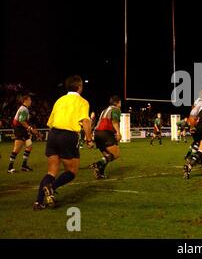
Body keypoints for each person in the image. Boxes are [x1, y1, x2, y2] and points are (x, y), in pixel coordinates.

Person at [33, 75, 93, 210]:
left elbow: (50, 122)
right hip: (68, 135)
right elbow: (85, 121)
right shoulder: (83, 102)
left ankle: (38, 202)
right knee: (71, 171)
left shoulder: (59, 100)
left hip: (53, 134)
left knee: (51, 172)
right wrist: (89, 139)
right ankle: (51, 188)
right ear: (79, 87)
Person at [8, 95, 42, 173]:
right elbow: (22, 121)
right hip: (19, 129)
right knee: (17, 148)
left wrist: (31, 129)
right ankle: (10, 168)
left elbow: (24, 122)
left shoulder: (25, 109)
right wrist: (30, 129)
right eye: (30, 100)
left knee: (29, 146)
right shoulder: (24, 109)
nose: (31, 101)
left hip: (22, 129)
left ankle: (24, 166)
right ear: (25, 100)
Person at [90, 96, 122, 179]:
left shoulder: (105, 110)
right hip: (105, 133)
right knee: (116, 154)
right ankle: (98, 164)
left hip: (97, 133)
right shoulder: (115, 109)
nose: (120, 104)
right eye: (120, 102)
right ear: (117, 102)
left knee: (107, 156)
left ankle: (100, 173)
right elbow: (114, 121)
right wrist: (118, 133)